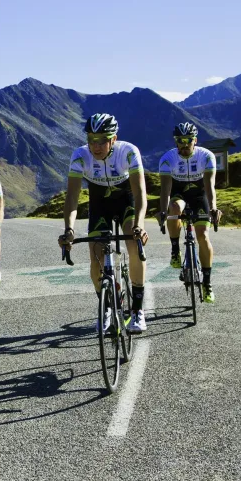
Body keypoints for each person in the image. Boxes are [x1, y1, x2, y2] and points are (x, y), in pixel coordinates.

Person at [58, 113, 150, 333]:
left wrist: (140, 225)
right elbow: (72, 198)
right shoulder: (80, 156)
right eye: (91, 140)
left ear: (113, 139)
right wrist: (69, 229)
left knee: (134, 246)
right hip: (99, 204)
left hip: (126, 201)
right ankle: (106, 305)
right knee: (96, 255)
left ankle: (137, 309)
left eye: (101, 140)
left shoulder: (128, 152)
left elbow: (140, 195)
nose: (95, 146)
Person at [157, 122, 222, 303]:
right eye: (180, 141)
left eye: (188, 140)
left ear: (195, 140)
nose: (184, 145)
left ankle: (207, 284)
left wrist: (214, 208)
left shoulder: (206, 156)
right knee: (174, 209)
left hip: (199, 194)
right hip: (179, 192)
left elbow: (210, 187)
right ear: (175, 141)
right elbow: (165, 190)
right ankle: (175, 250)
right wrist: (163, 211)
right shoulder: (167, 158)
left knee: (203, 236)